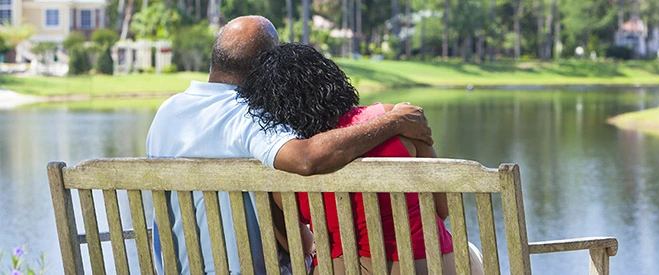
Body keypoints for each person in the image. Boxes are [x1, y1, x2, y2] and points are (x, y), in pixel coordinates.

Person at [146, 16, 433, 275]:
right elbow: (306, 158)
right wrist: (392, 122)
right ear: (266, 67)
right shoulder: (246, 116)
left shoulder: (167, 112)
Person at [237, 42, 485, 275]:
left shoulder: (284, 160)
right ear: (330, 81)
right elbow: (441, 209)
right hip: (430, 264)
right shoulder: (396, 119)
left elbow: (296, 243)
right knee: (472, 254)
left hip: (339, 268)